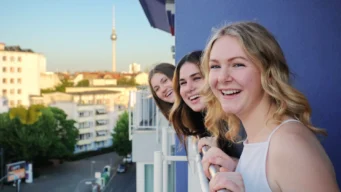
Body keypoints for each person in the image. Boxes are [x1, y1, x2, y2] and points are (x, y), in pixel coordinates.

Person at [200, 21, 339, 192]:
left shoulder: (288, 145)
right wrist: (235, 169)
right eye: (215, 66)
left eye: (237, 64)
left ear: (269, 74)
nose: (222, 77)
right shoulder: (258, 140)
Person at [169, 50, 242, 159]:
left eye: (197, 78)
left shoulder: (237, 122)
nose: (189, 88)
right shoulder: (204, 124)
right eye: (183, 83)